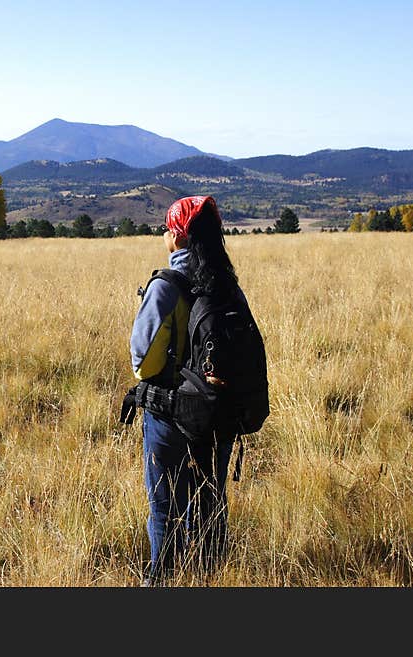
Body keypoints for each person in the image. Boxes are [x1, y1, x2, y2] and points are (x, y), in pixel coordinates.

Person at [129, 195, 242, 584]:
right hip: (219, 416)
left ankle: (162, 581)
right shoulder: (227, 285)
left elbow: (143, 363)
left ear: (177, 236)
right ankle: (209, 577)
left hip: (169, 418)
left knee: (165, 508)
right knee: (210, 502)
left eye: (166, 228)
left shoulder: (167, 286)